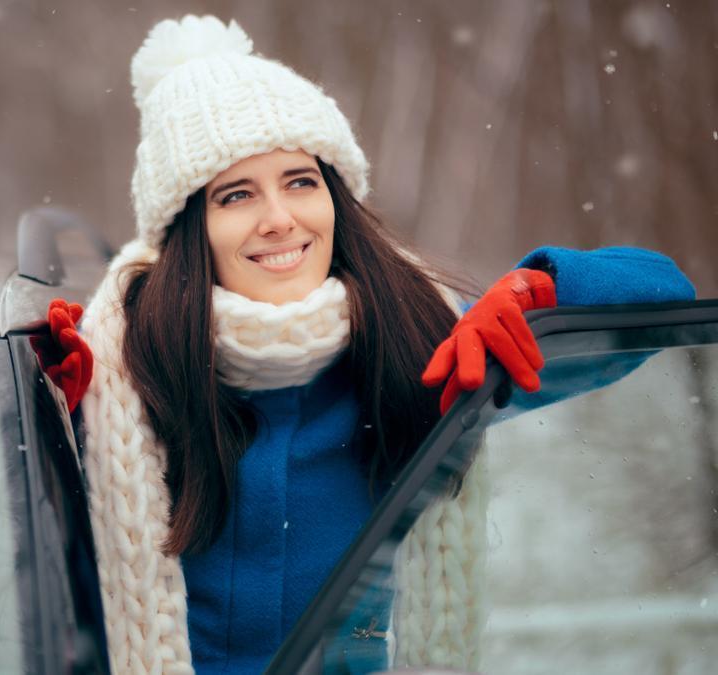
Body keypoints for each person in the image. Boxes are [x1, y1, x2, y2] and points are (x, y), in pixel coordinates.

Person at [35, 15, 695, 675]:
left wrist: (547, 293)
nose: (279, 218)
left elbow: (665, 297)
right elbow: (45, 594)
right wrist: (59, 428)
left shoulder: (422, 341)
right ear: (189, 230)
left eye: (300, 181)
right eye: (236, 194)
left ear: (335, 196)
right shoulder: (126, 374)